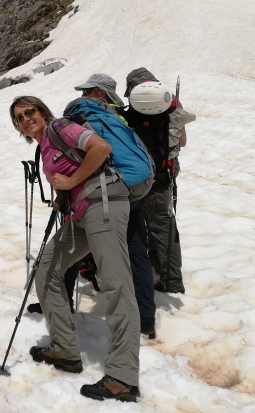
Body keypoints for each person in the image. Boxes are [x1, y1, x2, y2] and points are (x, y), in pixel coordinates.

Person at [10, 96, 140, 403]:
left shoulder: (62, 127)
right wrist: (63, 196)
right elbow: (71, 173)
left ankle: (123, 377)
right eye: (18, 118)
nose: (26, 119)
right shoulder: (44, 146)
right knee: (46, 270)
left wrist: (70, 182)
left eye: (30, 112)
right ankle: (65, 350)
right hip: (81, 212)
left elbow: (101, 149)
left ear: (42, 112)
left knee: (116, 285)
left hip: (104, 205)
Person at [72, 73, 157, 338]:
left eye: (87, 91)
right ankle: (146, 318)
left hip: (117, 186)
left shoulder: (80, 115)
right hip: (142, 182)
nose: (83, 96)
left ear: (100, 93)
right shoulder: (116, 115)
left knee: (74, 239)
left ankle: (60, 302)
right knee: (136, 249)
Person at [122, 67, 190, 294]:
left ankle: (172, 280)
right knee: (162, 222)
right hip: (165, 173)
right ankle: (162, 268)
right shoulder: (171, 104)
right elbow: (182, 142)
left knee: (155, 222)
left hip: (141, 175)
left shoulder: (133, 109)